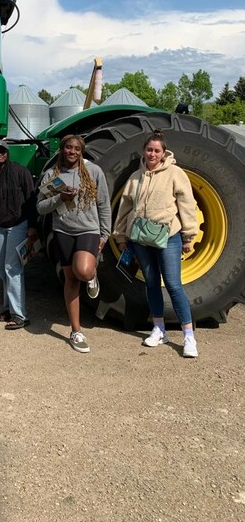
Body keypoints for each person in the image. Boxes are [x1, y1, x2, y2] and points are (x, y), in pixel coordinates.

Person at [113, 129, 199, 358]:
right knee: (151, 282)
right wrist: (121, 236)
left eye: (157, 151)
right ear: (144, 151)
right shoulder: (135, 177)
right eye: (149, 149)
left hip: (168, 235)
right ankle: (159, 329)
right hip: (141, 238)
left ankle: (188, 336)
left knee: (173, 284)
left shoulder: (175, 173)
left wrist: (189, 236)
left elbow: (187, 205)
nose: (152, 154)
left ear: (163, 153)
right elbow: (125, 208)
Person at [37, 135, 111, 354]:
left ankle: (91, 275)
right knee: (70, 280)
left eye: (76, 149)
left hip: (88, 229)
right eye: (68, 148)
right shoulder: (52, 175)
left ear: (81, 151)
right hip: (63, 231)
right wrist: (60, 197)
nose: (72, 152)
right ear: (62, 150)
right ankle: (76, 331)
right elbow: (41, 208)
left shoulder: (93, 171)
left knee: (83, 270)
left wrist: (105, 235)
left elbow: (103, 204)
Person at [0, 139, 37, 330]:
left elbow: (32, 199)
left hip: (18, 224)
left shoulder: (20, 171)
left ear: (7, 153)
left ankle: (20, 314)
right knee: (1, 267)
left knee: (12, 268)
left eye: (3, 152)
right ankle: (8, 307)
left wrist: (32, 226)